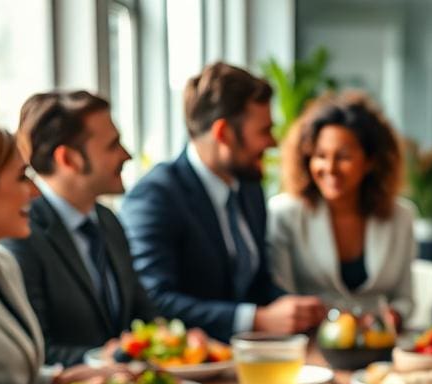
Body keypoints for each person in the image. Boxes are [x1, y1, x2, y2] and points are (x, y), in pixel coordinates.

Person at [119, 61, 325, 341]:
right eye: (264, 131)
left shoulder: (249, 188)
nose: (273, 143)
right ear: (223, 133)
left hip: (252, 354)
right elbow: (155, 301)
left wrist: (297, 310)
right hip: (194, 360)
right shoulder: (156, 197)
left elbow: (256, 283)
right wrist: (256, 319)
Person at [0, 120, 110, 384]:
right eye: (22, 177)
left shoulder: (3, 264)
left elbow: (11, 374)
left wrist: (57, 380)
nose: (35, 192)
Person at [2, 90, 157, 366]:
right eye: (113, 145)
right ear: (68, 159)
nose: (127, 155)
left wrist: (175, 339)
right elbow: (34, 351)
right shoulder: (21, 234)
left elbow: (143, 316)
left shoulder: (108, 221)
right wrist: (101, 359)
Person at [268, 91, 414, 326]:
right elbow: (283, 298)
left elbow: (405, 299)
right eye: (320, 155)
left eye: (343, 157)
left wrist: (391, 317)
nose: (330, 168)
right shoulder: (284, 213)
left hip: (379, 340)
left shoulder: (401, 216)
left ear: (370, 161)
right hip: (308, 339)